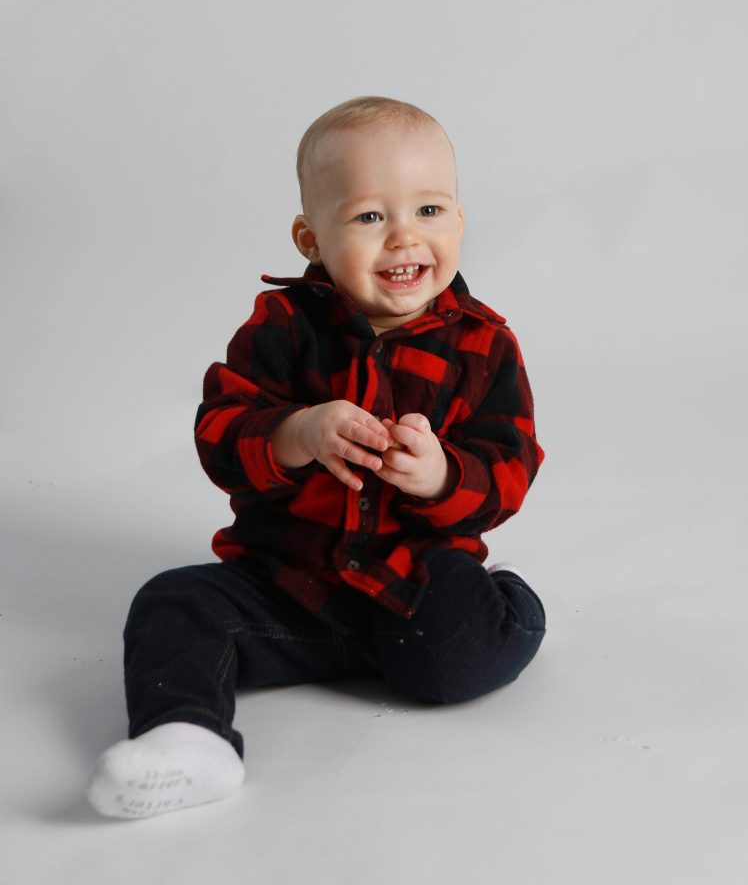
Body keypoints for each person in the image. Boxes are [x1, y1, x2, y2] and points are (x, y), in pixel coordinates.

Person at [86, 95, 546, 819]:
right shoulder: (282, 327)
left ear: (458, 221)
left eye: (429, 211)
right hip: (288, 583)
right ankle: (188, 741)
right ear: (310, 237)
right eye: (369, 217)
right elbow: (220, 433)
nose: (403, 238)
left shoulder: (485, 346)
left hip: (412, 585)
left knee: (460, 656)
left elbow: (511, 464)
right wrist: (296, 433)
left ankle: (509, 608)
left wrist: (442, 475)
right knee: (173, 603)